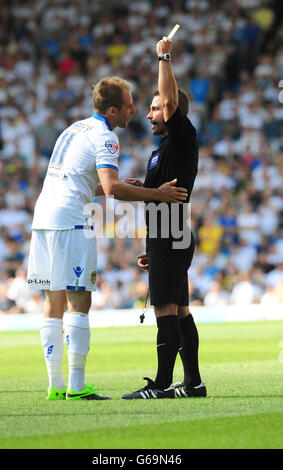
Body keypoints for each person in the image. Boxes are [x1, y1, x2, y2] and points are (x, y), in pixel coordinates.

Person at [27, 76, 187, 401]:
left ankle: (56, 386)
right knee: (79, 299)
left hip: (43, 217)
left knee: (52, 301)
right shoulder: (106, 138)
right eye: (128, 105)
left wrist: (111, 186)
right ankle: (76, 386)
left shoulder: (74, 128)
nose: (133, 110)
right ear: (112, 110)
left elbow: (87, 183)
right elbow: (114, 190)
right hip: (72, 220)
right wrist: (156, 193)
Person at [122, 38, 206, 399]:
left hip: (171, 236)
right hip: (166, 236)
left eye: (155, 109)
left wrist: (164, 57)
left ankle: (159, 385)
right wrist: (149, 249)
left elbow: (171, 99)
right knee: (181, 311)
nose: (150, 114)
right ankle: (193, 383)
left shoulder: (183, 136)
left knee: (165, 310)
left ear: (172, 112)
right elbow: (157, 201)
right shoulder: (161, 153)